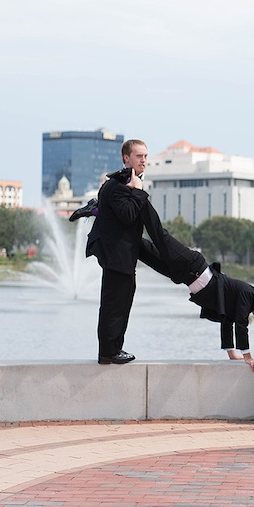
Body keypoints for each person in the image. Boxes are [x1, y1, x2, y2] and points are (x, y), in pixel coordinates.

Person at [135, 203, 254, 374]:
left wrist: (232, 353)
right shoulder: (250, 294)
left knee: (142, 251)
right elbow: (241, 324)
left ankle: (114, 222)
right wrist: (247, 356)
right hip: (191, 264)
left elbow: (227, 323)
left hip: (184, 276)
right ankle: (139, 200)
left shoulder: (243, 306)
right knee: (159, 235)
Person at [85, 139, 149, 364]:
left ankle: (113, 350)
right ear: (126, 158)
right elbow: (128, 215)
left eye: (145, 156)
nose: (143, 160)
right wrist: (138, 192)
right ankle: (108, 352)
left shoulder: (123, 183)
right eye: (139, 156)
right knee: (114, 306)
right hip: (116, 256)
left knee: (122, 304)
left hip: (123, 256)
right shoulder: (116, 186)